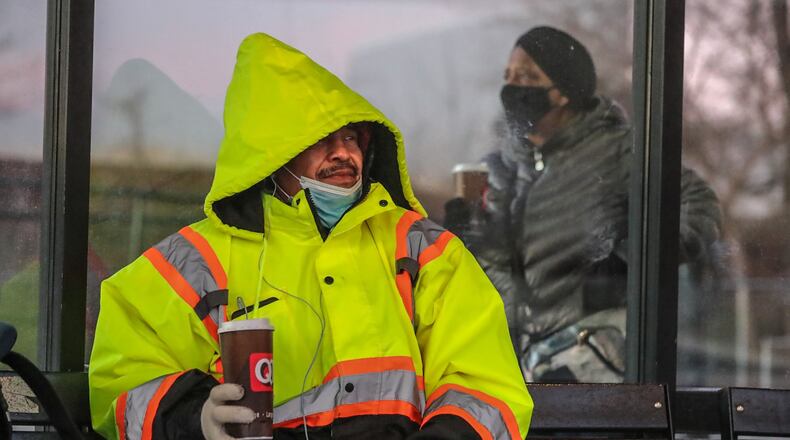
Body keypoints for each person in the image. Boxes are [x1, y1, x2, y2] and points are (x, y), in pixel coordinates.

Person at [88, 33, 532, 440]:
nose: (343, 154)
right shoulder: (193, 263)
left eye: (353, 138)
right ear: (271, 158)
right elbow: (121, 383)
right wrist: (193, 418)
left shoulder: (423, 250)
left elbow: (485, 386)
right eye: (319, 141)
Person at [463, 26, 722, 382]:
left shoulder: (617, 150)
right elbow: (495, 268)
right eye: (508, 76)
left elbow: (701, 206)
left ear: (564, 93)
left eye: (527, 76)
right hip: (522, 364)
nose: (512, 87)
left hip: (593, 361)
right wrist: (467, 238)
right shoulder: (502, 165)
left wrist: (633, 261)